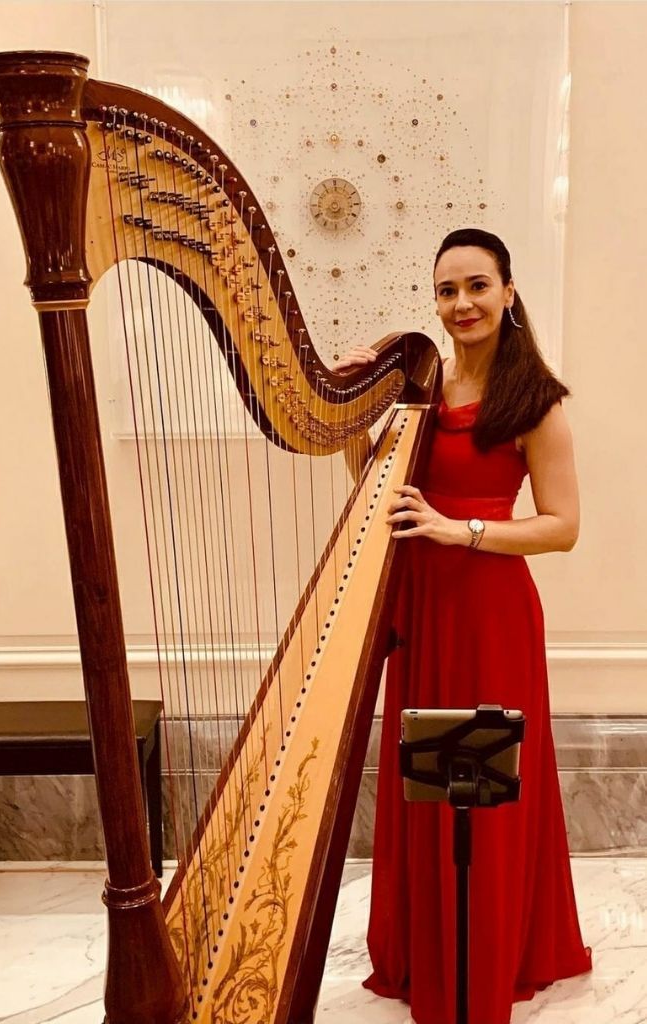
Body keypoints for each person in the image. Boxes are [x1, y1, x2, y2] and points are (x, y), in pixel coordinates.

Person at [337, 228, 592, 1024]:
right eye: (447, 291)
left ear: (508, 293)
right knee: (431, 787)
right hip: (424, 612)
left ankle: (485, 963)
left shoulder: (535, 400)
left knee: (481, 797)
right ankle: (435, 953)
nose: (461, 304)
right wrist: (348, 407)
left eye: (477, 286)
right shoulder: (419, 388)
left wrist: (461, 531)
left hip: (490, 618)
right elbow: (377, 479)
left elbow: (562, 527)